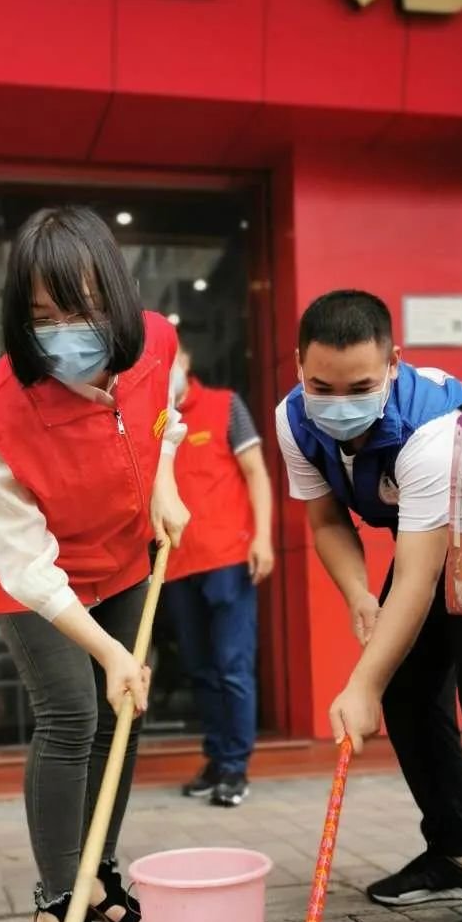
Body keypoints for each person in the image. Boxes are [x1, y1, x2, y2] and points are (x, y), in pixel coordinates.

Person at [0, 206, 189, 922]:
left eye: (82, 308)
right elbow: (25, 562)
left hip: (123, 557)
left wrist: (165, 481)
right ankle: (59, 899)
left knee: (117, 718)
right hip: (37, 580)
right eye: (42, 317)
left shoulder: (155, 340)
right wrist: (110, 651)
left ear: (116, 300)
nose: (66, 332)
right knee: (73, 715)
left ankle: (100, 871)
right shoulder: (0, 415)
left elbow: (169, 414)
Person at [275, 289, 462, 922]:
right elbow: (327, 519)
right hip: (426, 536)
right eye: (321, 385)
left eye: (360, 386)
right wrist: (358, 593)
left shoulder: (434, 429)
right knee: (407, 691)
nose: (339, 402)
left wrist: (358, 683)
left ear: (394, 362)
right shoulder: (293, 419)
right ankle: (453, 851)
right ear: (299, 364)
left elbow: (421, 577)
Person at [163, 339, 274, 806]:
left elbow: (256, 473)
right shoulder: (156, 423)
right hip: (177, 563)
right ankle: (215, 757)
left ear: (186, 362)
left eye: (170, 363)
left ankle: (235, 767)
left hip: (228, 557)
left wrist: (263, 537)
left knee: (232, 666)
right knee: (201, 670)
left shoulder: (226, 406)